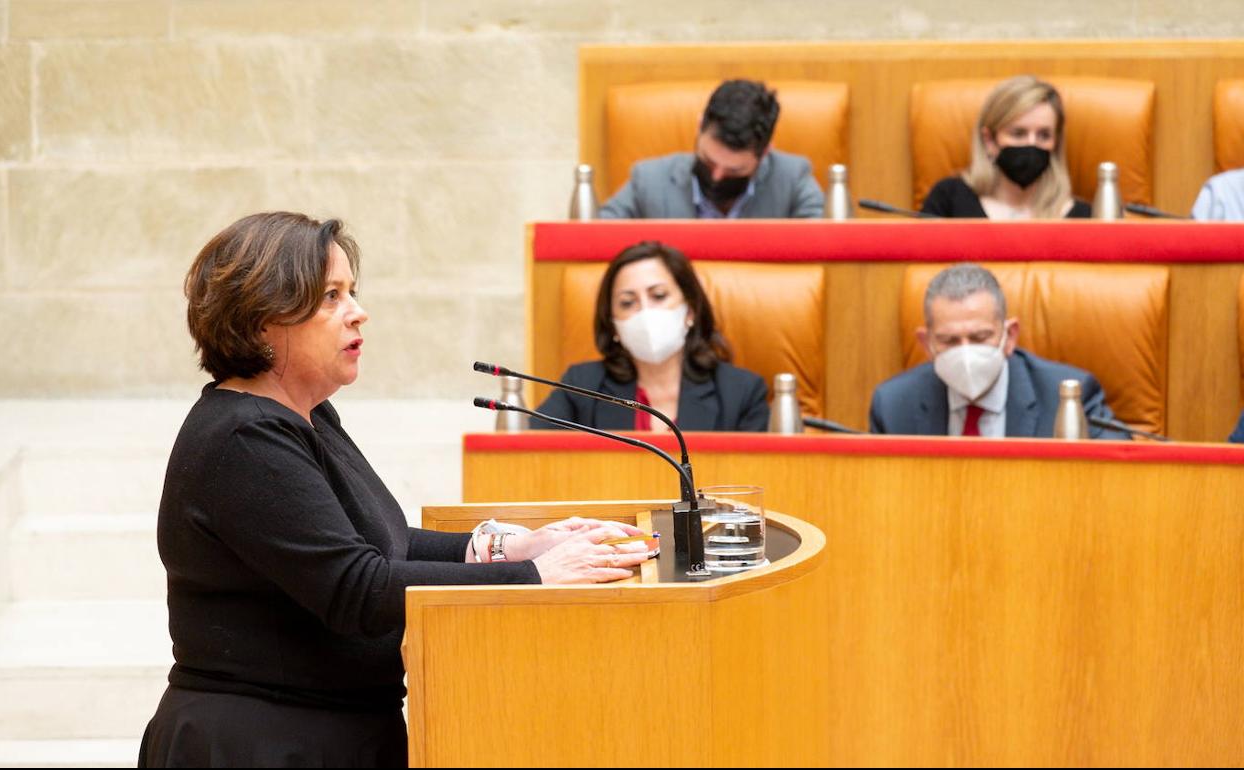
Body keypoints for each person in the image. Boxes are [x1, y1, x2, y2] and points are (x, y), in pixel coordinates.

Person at [139, 213, 650, 768]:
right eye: (331, 297)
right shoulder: (244, 437)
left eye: (351, 292)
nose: (358, 312)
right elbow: (355, 587)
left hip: (333, 729)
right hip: (261, 742)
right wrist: (534, 578)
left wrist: (513, 548)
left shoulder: (306, 416)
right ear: (264, 321)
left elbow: (380, 544)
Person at [869, 263, 1128, 439]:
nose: (966, 354)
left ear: (1010, 336)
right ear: (926, 344)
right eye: (949, 341)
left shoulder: (1068, 398)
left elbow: (1117, 480)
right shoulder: (893, 405)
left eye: (980, 337)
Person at [534, 241, 769, 432]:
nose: (645, 312)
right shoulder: (581, 387)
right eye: (627, 303)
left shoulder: (742, 393)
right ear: (613, 325)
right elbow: (529, 458)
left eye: (658, 296)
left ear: (690, 310)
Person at [599, 79, 824, 219]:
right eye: (708, 161)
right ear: (699, 127)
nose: (717, 177)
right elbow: (595, 238)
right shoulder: (648, 180)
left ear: (764, 153)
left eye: (734, 171)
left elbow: (829, 245)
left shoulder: (793, 179)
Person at [921, 75, 1092, 220]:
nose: (1031, 144)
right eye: (1018, 134)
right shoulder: (948, 200)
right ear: (989, 141)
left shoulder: (1083, 217)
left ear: (1055, 143)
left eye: (1044, 135)